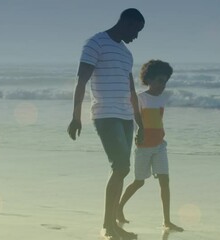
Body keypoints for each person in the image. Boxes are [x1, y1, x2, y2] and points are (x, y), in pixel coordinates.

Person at [67, 8, 145, 240]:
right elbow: (81, 81)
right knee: (120, 167)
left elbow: (131, 91)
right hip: (105, 115)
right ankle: (107, 226)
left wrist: (139, 123)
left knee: (122, 170)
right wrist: (76, 116)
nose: (136, 37)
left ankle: (112, 224)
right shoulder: (95, 43)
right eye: (136, 30)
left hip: (125, 117)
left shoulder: (126, 53)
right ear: (127, 23)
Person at [117, 60, 184, 232]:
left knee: (165, 181)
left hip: (160, 146)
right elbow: (134, 119)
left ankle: (167, 221)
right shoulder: (141, 98)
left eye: (165, 81)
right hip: (143, 147)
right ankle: (118, 208)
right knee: (139, 182)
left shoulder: (162, 98)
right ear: (150, 80)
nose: (163, 85)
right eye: (160, 81)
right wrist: (135, 134)